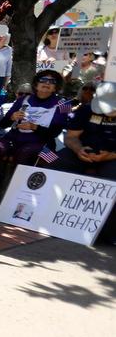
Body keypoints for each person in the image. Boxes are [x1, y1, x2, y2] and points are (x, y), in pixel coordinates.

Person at [0, 68, 72, 202]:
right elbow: (3, 124)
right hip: (15, 139)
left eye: (52, 81)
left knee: (24, 153)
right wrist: (11, 117)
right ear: (36, 84)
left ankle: (14, 198)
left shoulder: (64, 104)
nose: (46, 83)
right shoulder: (24, 99)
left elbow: (56, 132)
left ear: (56, 87)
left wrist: (34, 127)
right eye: (43, 80)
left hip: (42, 144)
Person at [46, 81, 116, 244]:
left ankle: (107, 232)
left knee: (112, 181)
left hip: (112, 156)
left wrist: (109, 156)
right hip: (82, 151)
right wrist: (79, 150)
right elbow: (71, 137)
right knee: (56, 164)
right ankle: (48, 217)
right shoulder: (85, 110)